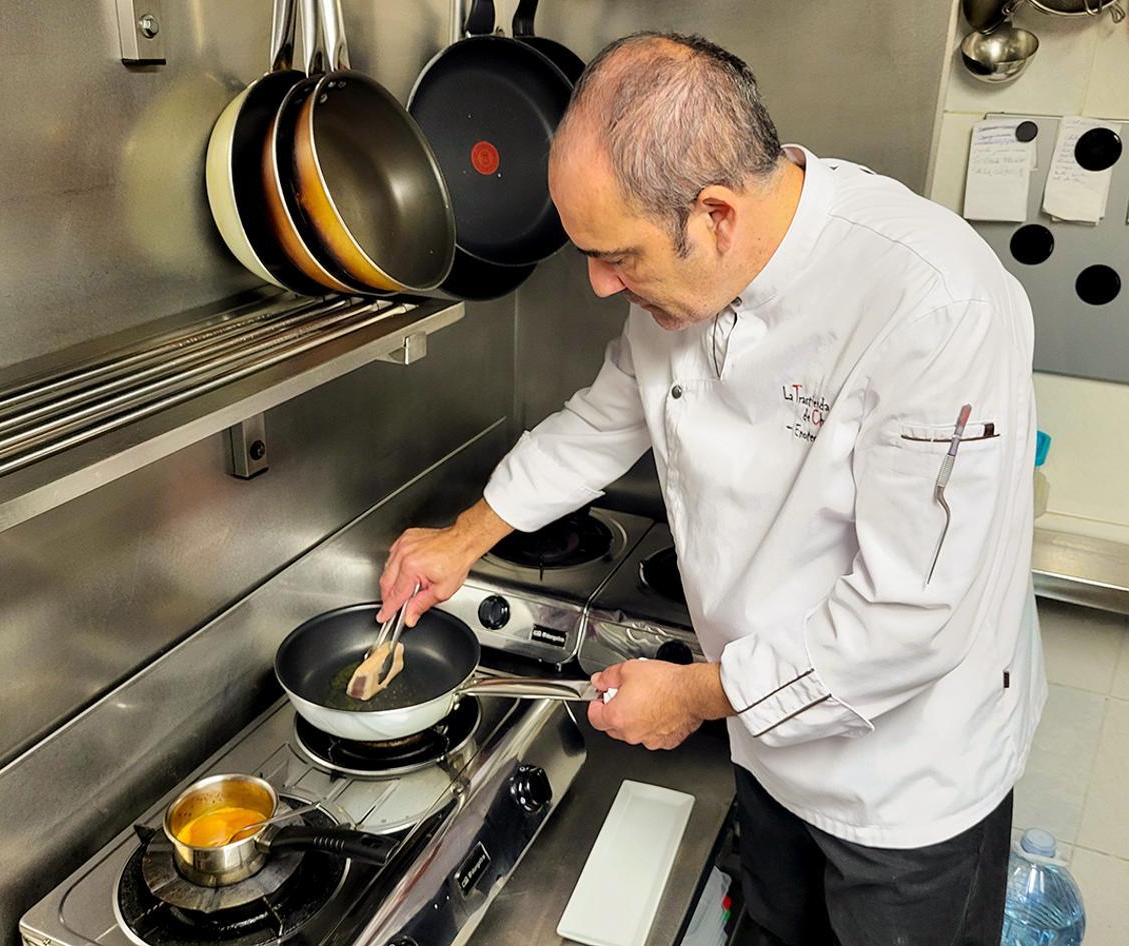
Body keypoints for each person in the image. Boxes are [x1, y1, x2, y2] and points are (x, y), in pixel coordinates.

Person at [378, 31, 1044, 946]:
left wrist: (694, 694)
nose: (601, 285)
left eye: (617, 256)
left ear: (718, 215)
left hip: (906, 779)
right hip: (765, 728)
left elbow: (910, 621)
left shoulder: (935, 303)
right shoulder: (683, 279)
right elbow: (604, 420)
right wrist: (465, 535)